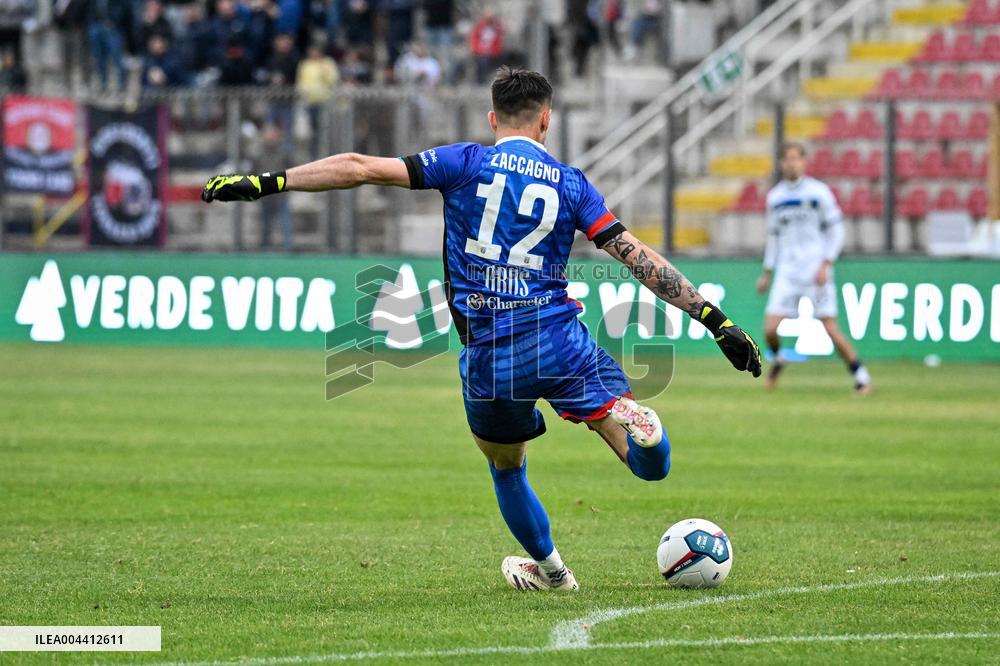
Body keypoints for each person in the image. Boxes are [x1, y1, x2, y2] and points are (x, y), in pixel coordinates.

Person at [201, 67, 761, 591]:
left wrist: (266, 181)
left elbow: (358, 165)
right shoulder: (570, 184)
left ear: (494, 120)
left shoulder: (464, 161)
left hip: (492, 355)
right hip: (560, 341)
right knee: (648, 467)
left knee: (506, 467)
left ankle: (553, 573)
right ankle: (639, 422)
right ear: (547, 120)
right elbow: (635, 256)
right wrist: (714, 318)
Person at [756, 142, 872, 394]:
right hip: (788, 271)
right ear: (781, 163)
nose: (792, 163)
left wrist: (826, 262)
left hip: (815, 269)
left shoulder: (819, 192)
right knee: (770, 329)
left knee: (830, 327)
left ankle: (860, 375)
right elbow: (773, 237)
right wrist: (767, 271)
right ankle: (778, 360)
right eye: (787, 159)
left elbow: (837, 229)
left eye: (796, 159)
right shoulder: (775, 197)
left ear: (804, 162)